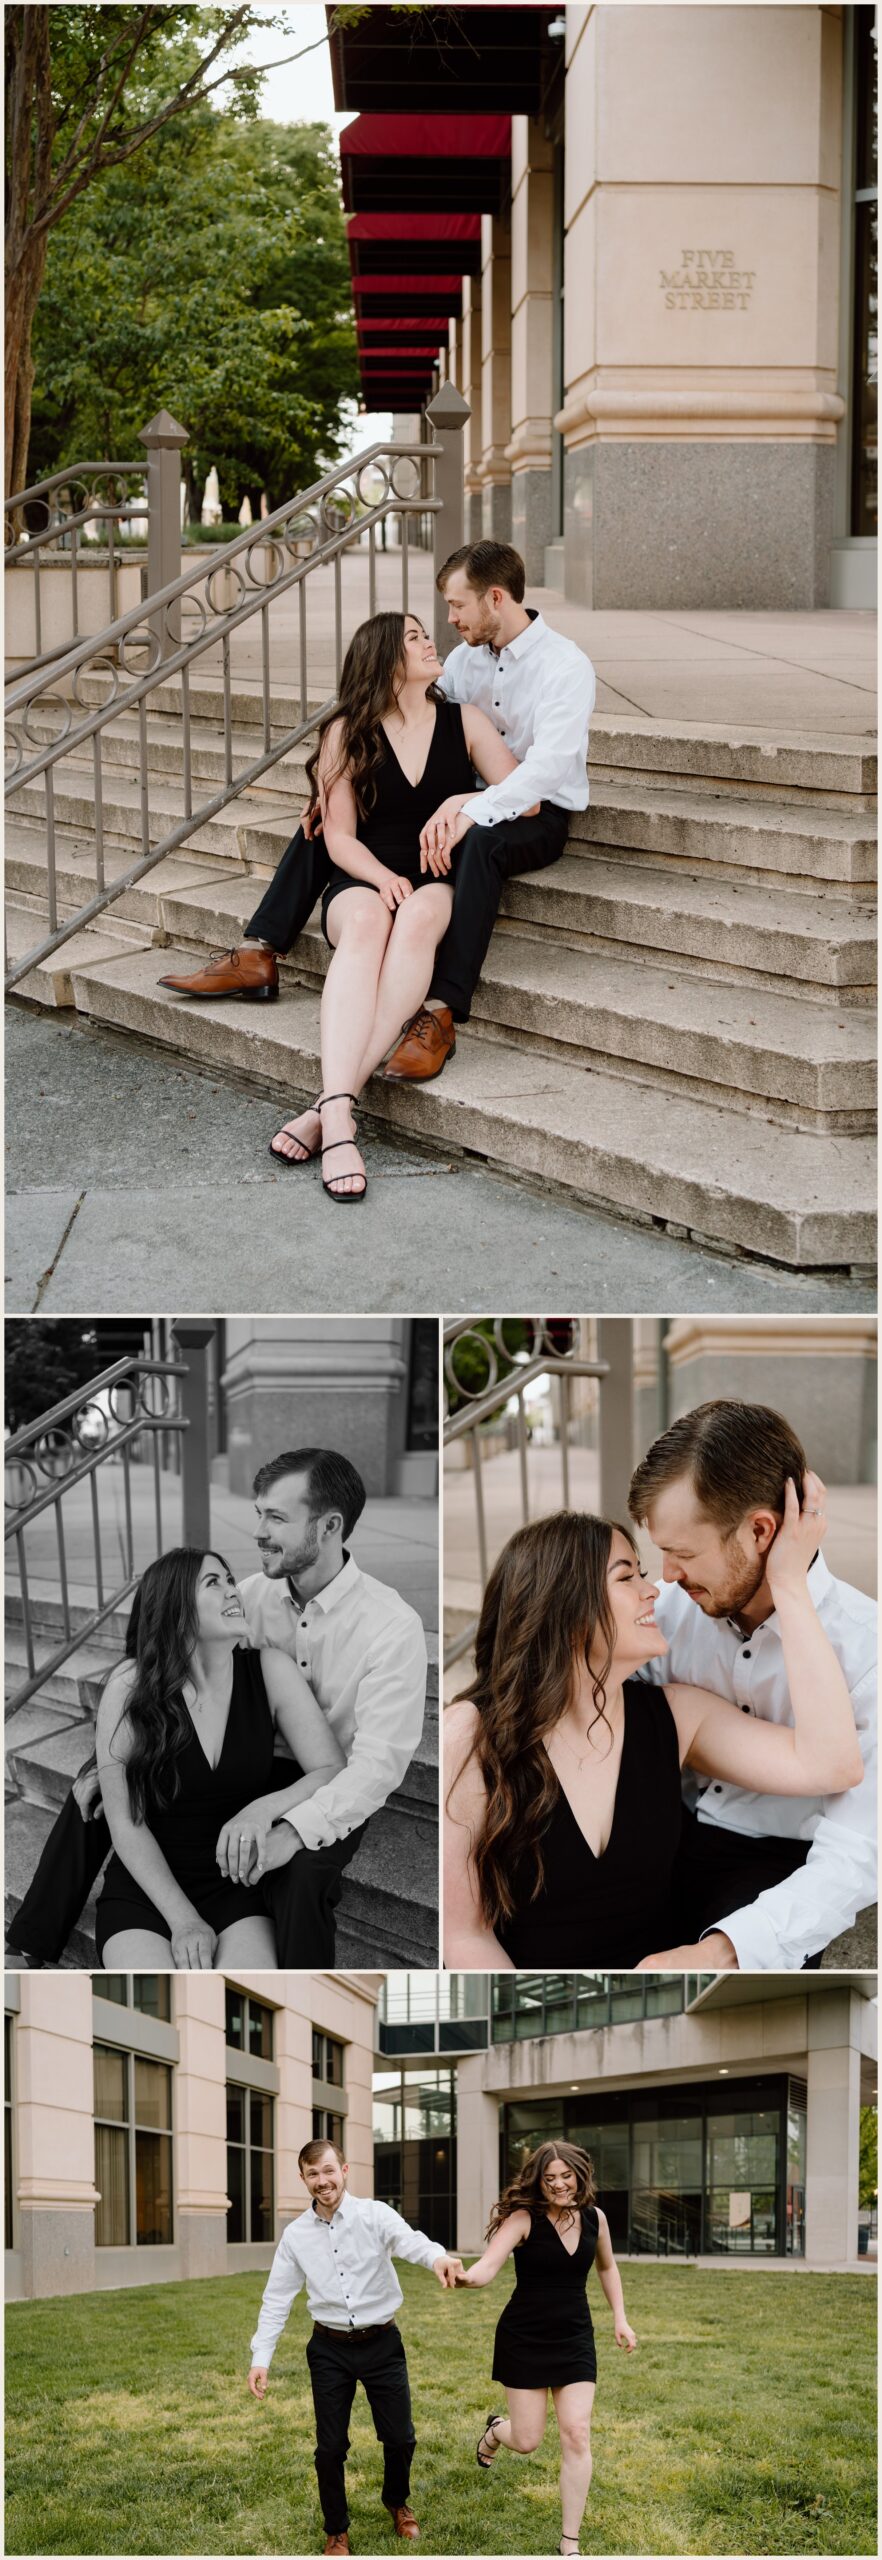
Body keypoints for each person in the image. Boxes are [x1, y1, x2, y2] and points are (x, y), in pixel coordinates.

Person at [158, 541, 595, 1089]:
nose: (450, 619)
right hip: (463, 803)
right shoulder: (462, 661)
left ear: (496, 598)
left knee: (481, 840)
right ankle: (259, 952)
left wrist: (469, 804)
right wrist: (333, 780)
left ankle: (440, 1011)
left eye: (458, 606)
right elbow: (422, 718)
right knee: (331, 819)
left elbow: (545, 772)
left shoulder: (565, 666)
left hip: (534, 809)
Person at [8, 1445, 429, 1971]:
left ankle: (300, 1996)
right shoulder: (251, 1596)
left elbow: (373, 1768)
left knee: (301, 1878)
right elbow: (170, 1662)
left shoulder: (391, 1627)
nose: (258, 1532)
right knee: (94, 1792)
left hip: (331, 1778)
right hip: (247, 1757)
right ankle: (30, 1943)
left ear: (328, 1526)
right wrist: (112, 1762)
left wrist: (289, 1826)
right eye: (258, 1513)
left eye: (276, 1517)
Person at [443, 1474, 864, 1968]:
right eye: (627, 1577)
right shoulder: (470, 1736)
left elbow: (831, 1765)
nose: (655, 1588)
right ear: (565, 1604)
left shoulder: (679, 1714)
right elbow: (464, 1937)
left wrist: (790, 1582)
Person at [264, 608, 529, 1198]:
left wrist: (467, 797)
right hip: (365, 874)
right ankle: (338, 1115)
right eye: (414, 638)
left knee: (415, 924)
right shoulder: (345, 732)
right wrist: (379, 877)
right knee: (363, 925)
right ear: (385, 661)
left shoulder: (465, 721)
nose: (430, 641)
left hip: (434, 877)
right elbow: (336, 836)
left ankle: (332, 1112)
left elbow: (525, 797)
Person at [626, 1399, 878, 1972]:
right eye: (660, 1553)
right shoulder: (662, 1612)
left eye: (682, 1553)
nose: (666, 1575)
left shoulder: (868, 1652)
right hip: (663, 1831)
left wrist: (723, 1952)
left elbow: (855, 1856)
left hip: (781, 1863)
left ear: (762, 1530)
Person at [93, 1546, 344, 1967]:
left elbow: (331, 1769)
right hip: (149, 1889)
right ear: (176, 1607)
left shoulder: (270, 1669)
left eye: (230, 1580)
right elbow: (125, 1824)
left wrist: (264, 1809)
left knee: (242, 1991)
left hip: (236, 1885)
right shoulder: (128, 1688)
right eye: (215, 1583)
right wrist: (184, 1920)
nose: (233, 1592)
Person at [248, 2136, 464, 2555]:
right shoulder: (295, 2236)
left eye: (329, 2170)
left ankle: (396, 2502)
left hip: (382, 2342)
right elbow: (277, 2297)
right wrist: (262, 2358)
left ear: (344, 2171)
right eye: (313, 2174)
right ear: (303, 2179)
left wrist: (438, 2258)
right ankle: (336, 2529)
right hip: (329, 2348)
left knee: (400, 2437)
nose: (322, 2180)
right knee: (330, 2447)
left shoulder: (374, 2215)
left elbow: (411, 2241)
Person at [457, 2139, 635, 2558]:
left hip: (574, 2336)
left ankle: (569, 2543)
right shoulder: (523, 2218)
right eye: (549, 2178)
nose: (558, 2185)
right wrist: (467, 2278)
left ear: (579, 2175)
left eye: (565, 2177)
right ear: (538, 2181)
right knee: (528, 2439)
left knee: (576, 2433)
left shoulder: (596, 2219)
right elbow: (488, 2265)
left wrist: (620, 2318)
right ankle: (496, 2432)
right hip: (525, 2337)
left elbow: (607, 2267)